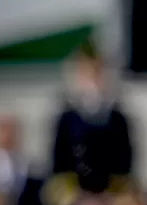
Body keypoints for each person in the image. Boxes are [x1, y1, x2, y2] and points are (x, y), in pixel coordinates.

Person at [52, 45, 136, 195]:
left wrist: (109, 198)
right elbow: (59, 164)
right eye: (86, 73)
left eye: (97, 72)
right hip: (76, 199)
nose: (93, 79)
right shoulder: (67, 118)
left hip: (111, 198)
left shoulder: (118, 118)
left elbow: (125, 163)